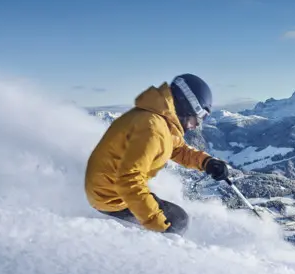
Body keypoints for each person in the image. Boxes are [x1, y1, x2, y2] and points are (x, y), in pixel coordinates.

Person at [84, 73, 229, 235]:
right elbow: (128, 179)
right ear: (186, 105)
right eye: (198, 117)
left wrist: (206, 162)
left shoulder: (159, 120)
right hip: (110, 197)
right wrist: (158, 224)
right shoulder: (152, 129)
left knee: (174, 214)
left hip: (107, 188)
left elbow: (177, 148)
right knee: (178, 220)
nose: (196, 125)